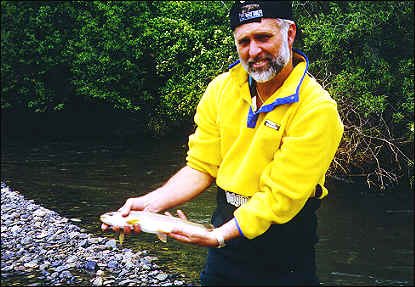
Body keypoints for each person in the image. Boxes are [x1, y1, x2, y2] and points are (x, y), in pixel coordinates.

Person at [102, 1, 344, 285]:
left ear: (289, 33)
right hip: (225, 238)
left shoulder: (317, 109)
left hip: (286, 246)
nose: (254, 51)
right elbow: (201, 167)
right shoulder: (220, 90)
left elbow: (280, 197)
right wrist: (149, 205)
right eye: (244, 41)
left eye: (263, 37)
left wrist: (216, 236)